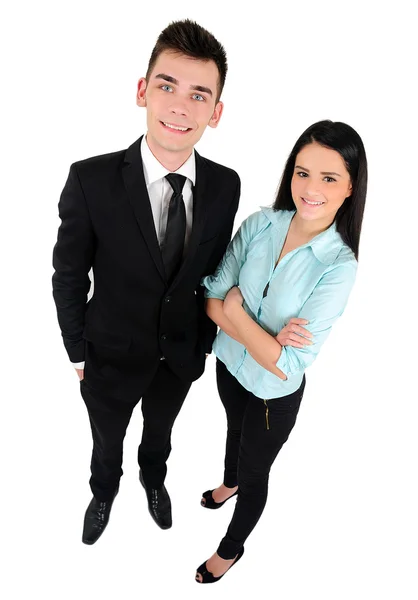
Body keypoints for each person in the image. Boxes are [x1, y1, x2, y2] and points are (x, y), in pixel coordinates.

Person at [52, 19, 240, 545]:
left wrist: (200, 347)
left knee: (159, 434)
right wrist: (78, 352)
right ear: (143, 91)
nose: (181, 106)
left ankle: (153, 481)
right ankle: (103, 491)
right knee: (105, 440)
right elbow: (68, 274)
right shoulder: (90, 180)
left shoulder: (226, 185)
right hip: (107, 354)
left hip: (179, 357)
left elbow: (214, 272)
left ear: (216, 112)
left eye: (199, 94)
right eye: (167, 86)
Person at [196, 120, 367, 583]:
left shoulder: (338, 267)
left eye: (329, 178)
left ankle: (231, 548)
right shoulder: (260, 224)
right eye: (302, 172)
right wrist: (250, 327)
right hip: (230, 366)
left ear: (351, 187)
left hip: (274, 393)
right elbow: (211, 296)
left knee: (256, 470)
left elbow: (287, 363)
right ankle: (226, 483)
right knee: (233, 428)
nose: (310, 189)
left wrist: (236, 310)